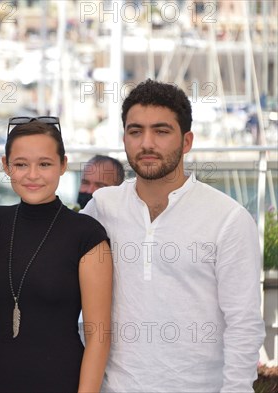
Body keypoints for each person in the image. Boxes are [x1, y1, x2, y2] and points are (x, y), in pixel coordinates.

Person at [81, 79, 265, 392]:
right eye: (135, 131)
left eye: (161, 131)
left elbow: (244, 324)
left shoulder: (228, 219)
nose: (146, 143)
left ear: (187, 140)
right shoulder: (102, 207)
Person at [0, 116, 112, 392]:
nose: (32, 175)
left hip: (62, 381)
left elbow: (98, 336)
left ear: (63, 165)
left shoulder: (87, 234)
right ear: (6, 166)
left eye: (44, 164)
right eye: (20, 164)